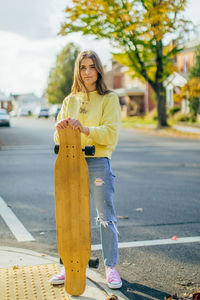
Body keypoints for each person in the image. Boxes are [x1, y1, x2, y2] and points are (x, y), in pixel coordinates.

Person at [50, 50, 122, 289]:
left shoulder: (109, 98)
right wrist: (61, 129)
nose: (88, 72)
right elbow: (57, 138)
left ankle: (111, 267)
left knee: (105, 217)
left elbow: (110, 134)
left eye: (92, 66)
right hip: (70, 162)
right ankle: (69, 266)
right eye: (83, 67)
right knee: (69, 217)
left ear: (99, 69)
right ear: (78, 71)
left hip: (98, 162)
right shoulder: (70, 100)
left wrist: (84, 129)